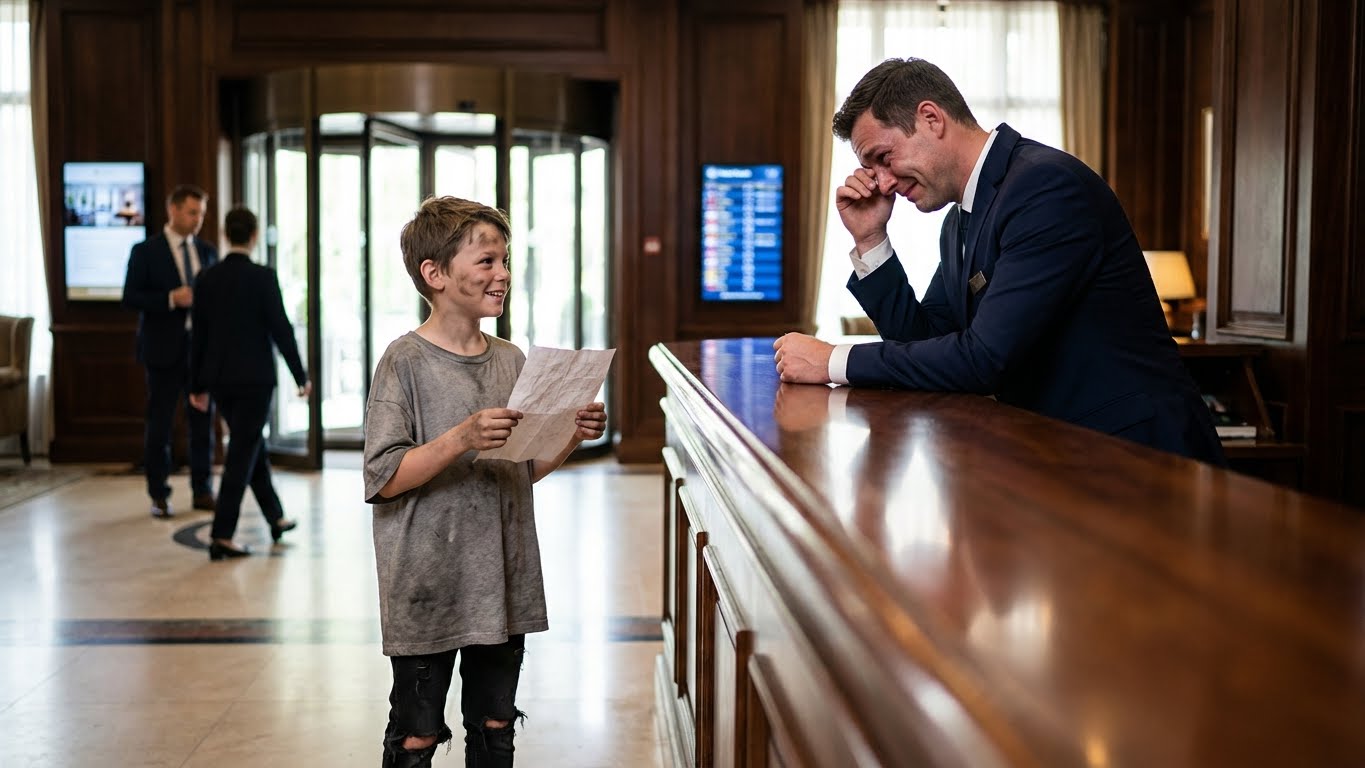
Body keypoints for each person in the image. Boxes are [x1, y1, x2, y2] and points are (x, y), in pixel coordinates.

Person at [773, 58, 1225, 464]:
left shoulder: (1044, 187)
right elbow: (924, 339)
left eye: (884, 158)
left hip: (1141, 458)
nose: (883, 183)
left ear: (931, 118)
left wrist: (834, 361)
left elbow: (984, 358)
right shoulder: (959, 222)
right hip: (1065, 458)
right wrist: (871, 239)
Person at [362, 196, 606, 768]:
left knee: (496, 728)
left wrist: (570, 435)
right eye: (487, 261)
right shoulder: (404, 361)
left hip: (501, 579)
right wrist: (462, 437)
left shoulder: (511, 359)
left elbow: (520, 472)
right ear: (436, 274)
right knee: (417, 733)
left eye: (504, 261)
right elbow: (384, 477)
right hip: (426, 583)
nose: (502, 275)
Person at [187, 206, 311, 560]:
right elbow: (281, 329)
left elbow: (199, 337)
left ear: (226, 235)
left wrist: (196, 386)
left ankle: (276, 517)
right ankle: (222, 534)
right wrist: (300, 376)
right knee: (241, 451)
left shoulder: (207, 278)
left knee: (248, 444)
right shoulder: (262, 277)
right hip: (256, 381)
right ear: (254, 236)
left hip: (221, 382)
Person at [121, 184, 218, 518]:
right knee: (160, 425)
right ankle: (159, 494)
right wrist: (169, 299)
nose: (198, 220)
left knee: (202, 424)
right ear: (173, 210)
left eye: (201, 214)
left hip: (199, 353)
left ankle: (203, 490)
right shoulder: (145, 251)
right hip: (162, 352)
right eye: (193, 213)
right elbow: (130, 296)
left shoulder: (207, 252)